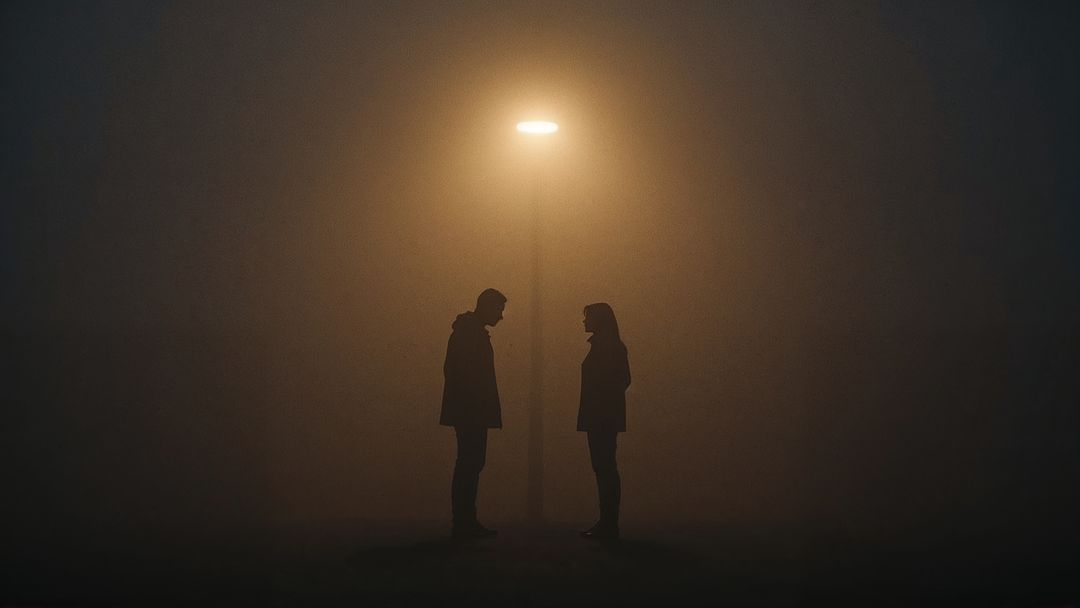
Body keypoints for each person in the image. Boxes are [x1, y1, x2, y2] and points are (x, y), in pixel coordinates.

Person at [440, 288, 506, 539]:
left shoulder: (467, 332)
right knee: (471, 462)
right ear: (487, 307)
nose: (501, 316)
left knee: (470, 462)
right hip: (472, 410)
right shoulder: (471, 334)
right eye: (498, 310)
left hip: (469, 409)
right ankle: (464, 521)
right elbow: (459, 371)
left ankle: (465, 520)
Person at [577, 302, 631, 540]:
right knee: (604, 466)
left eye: (588, 317)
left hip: (601, 416)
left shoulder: (607, 347)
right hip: (603, 415)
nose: (584, 321)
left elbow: (621, 379)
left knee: (604, 467)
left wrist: (601, 401)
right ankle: (608, 521)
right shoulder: (610, 346)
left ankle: (608, 522)